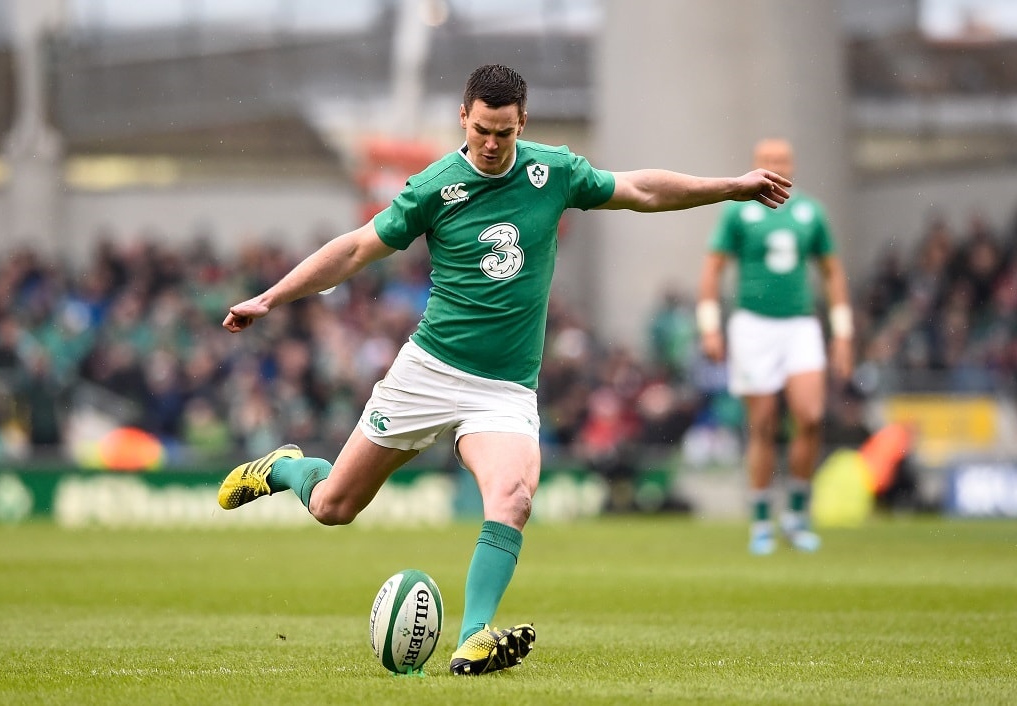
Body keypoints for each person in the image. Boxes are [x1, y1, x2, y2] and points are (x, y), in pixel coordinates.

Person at [217, 64, 793, 675]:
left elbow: (641, 190)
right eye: (483, 131)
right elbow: (358, 248)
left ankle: (473, 637)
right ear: (464, 118)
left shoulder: (554, 172)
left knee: (512, 497)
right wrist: (272, 298)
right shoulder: (435, 186)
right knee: (334, 506)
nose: (492, 145)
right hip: (429, 371)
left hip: (504, 390)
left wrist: (730, 186)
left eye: (505, 133)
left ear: (523, 123)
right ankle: (286, 468)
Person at [696, 137, 853, 556]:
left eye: (781, 160)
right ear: (754, 165)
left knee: (811, 416)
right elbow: (713, 270)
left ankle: (798, 514)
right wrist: (710, 326)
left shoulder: (809, 212)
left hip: (800, 324)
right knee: (763, 424)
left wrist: (843, 333)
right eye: (767, 160)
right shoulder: (738, 211)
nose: (774, 166)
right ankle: (762, 519)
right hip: (753, 327)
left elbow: (832, 272)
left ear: (792, 166)